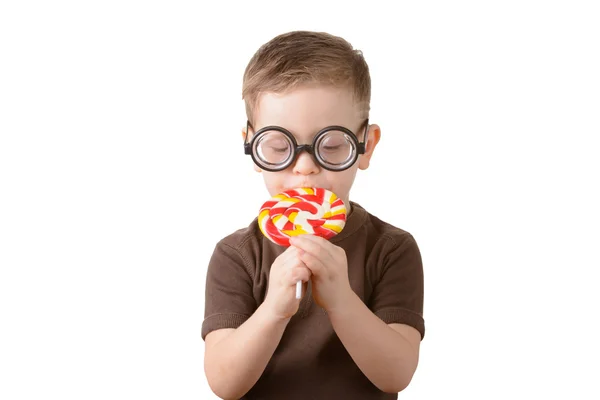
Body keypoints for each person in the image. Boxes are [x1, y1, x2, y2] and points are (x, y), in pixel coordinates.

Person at [202, 30, 425, 400]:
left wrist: (341, 299)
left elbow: (396, 374)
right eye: (278, 146)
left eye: (331, 146)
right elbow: (224, 384)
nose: (304, 168)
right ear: (251, 145)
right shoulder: (237, 254)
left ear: (365, 147)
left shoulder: (391, 249)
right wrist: (274, 308)